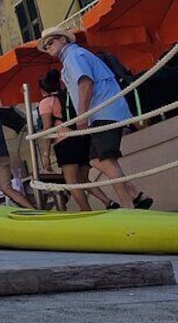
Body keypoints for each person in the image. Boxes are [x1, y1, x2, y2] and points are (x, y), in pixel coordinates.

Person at [38, 27, 153, 209]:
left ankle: (128, 205)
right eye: (45, 46)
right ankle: (135, 195)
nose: (48, 48)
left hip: (103, 111)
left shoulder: (73, 56)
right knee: (95, 159)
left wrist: (83, 114)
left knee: (106, 159)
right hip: (103, 112)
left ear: (63, 40)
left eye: (50, 43)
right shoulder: (74, 57)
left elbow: (85, 83)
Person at [38, 69, 119, 211]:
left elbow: (47, 129)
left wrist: (45, 155)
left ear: (43, 90)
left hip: (64, 142)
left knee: (72, 182)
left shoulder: (46, 102)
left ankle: (86, 211)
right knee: (83, 179)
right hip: (82, 139)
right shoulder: (70, 96)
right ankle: (108, 202)